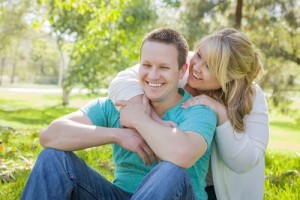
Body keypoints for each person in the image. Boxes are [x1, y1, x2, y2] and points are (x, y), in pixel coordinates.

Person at [21, 28, 217, 200]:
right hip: (118, 194)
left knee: (171, 171)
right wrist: (118, 135)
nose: (153, 75)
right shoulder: (120, 104)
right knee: (53, 156)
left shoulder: (197, 111)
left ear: (182, 71)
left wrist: (140, 120)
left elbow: (183, 154)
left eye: (164, 67)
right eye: (147, 65)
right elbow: (50, 135)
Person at [108, 27, 269, 200]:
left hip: (216, 190)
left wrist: (221, 114)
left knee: (172, 171)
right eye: (199, 55)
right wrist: (146, 116)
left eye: (210, 66)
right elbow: (123, 80)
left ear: (229, 77)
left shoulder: (252, 97)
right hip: (169, 182)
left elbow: (244, 161)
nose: (196, 67)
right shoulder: (183, 67)